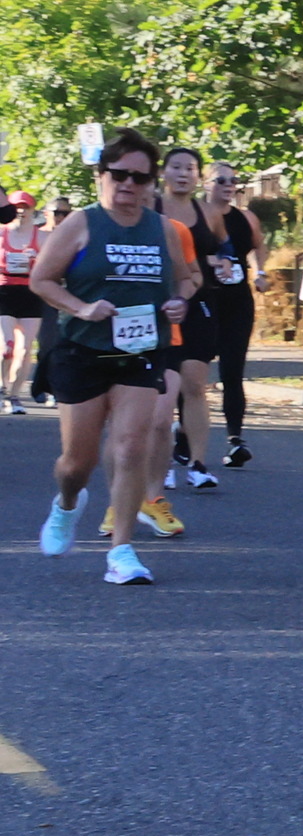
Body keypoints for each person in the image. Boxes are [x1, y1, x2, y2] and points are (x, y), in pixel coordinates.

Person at [30, 132, 192, 584]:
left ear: (151, 183)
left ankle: (121, 551)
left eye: (140, 178)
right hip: (82, 350)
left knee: (131, 446)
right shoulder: (81, 223)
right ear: (102, 176)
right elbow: (42, 280)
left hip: (141, 350)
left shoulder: (162, 229)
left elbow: (185, 278)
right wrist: (82, 308)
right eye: (119, 175)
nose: (129, 185)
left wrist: (179, 301)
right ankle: (67, 503)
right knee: (76, 463)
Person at [156, 147, 257, 490]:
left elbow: (225, 249)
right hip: (158, 304)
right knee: (163, 388)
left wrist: (224, 262)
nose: (183, 173)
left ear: (198, 176)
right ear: (164, 173)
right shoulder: (149, 208)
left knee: (195, 384)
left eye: (190, 168)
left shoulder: (208, 212)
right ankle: (161, 462)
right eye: (176, 167)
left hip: (198, 300)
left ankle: (197, 464)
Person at [0, 190, 46, 414]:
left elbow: (53, 266)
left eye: (25, 207)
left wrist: (36, 262)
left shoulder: (42, 237)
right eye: (17, 207)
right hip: (4, 291)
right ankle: (2, 388)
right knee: (6, 347)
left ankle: (15, 395)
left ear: (32, 210)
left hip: (30, 293)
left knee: (25, 349)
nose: (20, 211)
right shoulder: (1, 234)